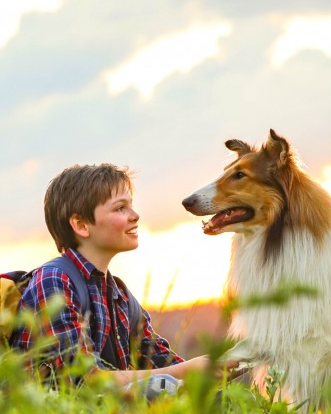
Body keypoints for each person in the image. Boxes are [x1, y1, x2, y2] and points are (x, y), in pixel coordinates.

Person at [11, 163, 223, 389]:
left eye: (131, 205)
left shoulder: (119, 296)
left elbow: (159, 360)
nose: (135, 216)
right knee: (161, 390)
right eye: (120, 208)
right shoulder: (53, 281)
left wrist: (218, 366)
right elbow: (83, 380)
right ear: (81, 225)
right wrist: (182, 372)